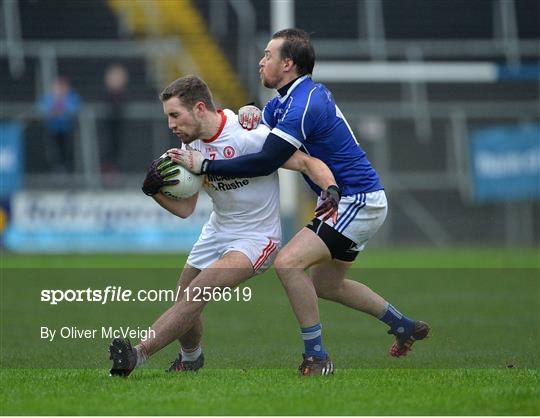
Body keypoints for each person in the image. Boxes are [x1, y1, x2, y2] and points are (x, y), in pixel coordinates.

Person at [171, 28, 430, 376]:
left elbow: (265, 159)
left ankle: (317, 357)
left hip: (355, 197)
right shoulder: (287, 100)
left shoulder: (305, 103)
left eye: (268, 56)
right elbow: (259, 121)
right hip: (354, 200)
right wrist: (250, 112)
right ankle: (403, 325)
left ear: (288, 64)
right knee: (326, 284)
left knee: (289, 263)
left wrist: (206, 166)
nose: (262, 61)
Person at [109, 75, 339, 377]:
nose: (171, 124)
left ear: (200, 108)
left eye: (175, 115)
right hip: (217, 230)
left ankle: (137, 355)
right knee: (183, 299)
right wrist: (154, 192)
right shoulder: (189, 144)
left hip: (257, 238)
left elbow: (307, 163)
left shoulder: (249, 134)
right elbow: (186, 209)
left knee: (199, 291)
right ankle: (191, 357)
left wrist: (331, 189)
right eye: (168, 117)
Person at [37, 77, 81, 173]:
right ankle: (55, 170)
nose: (60, 89)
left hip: (67, 129)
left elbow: (74, 109)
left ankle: (68, 171)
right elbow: (41, 108)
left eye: (62, 86)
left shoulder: (72, 97)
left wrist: (62, 105)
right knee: (53, 152)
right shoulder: (48, 98)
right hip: (52, 129)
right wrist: (54, 107)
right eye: (58, 86)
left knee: (67, 152)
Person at [102, 64, 129, 174]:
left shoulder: (125, 96)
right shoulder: (104, 96)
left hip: (120, 129)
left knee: (118, 148)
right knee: (108, 149)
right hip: (107, 129)